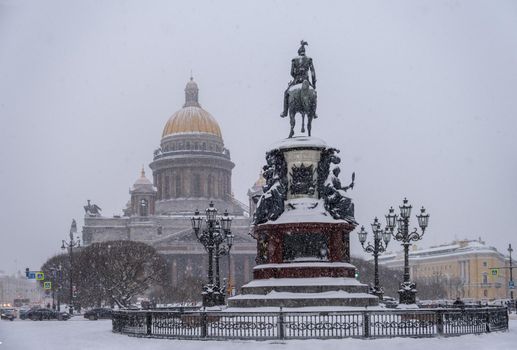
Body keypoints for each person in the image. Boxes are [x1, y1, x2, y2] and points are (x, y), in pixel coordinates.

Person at [281, 40, 317, 118]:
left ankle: (284, 112)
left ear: (299, 52)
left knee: (286, 93)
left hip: (296, 80)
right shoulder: (309, 59)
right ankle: (314, 112)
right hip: (306, 80)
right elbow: (313, 73)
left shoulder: (294, 60)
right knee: (314, 94)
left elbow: (291, 72)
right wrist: (314, 84)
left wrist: (296, 76)